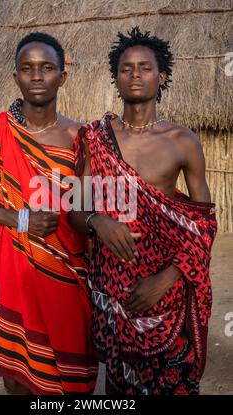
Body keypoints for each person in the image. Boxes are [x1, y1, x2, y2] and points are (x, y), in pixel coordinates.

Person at [69, 26, 217, 395]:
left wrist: (167, 278)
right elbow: (73, 207)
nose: (135, 75)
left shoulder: (182, 141)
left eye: (145, 68)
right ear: (116, 79)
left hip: (166, 291)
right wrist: (96, 220)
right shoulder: (94, 137)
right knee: (121, 388)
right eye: (126, 68)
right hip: (114, 291)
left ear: (161, 75)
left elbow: (204, 223)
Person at [0, 32, 98, 395]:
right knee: (17, 381)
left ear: (62, 77)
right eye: (27, 68)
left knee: (74, 377)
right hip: (16, 271)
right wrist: (19, 219)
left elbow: (85, 209)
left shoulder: (83, 137)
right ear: (15, 76)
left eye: (46, 68)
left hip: (68, 275)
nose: (36, 76)